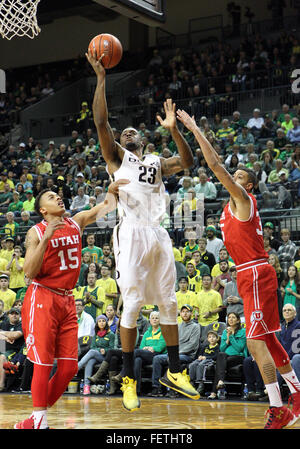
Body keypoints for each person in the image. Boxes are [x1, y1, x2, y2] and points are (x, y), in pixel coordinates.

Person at [86, 49, 199, 413]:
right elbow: (102, 124)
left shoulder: (154, 161)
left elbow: (187, 162)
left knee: (169, 302)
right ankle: (129, 379)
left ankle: (176, 370)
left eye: (136, 131)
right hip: (131, 232)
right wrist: (102, 79)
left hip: (158, 232)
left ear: (146, 141)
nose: (130, 131)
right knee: (132, 305)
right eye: (126, 131)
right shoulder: (118, 158)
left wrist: (174, 130)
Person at [176, 108, 300, 428]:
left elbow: (216, 165)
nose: (236, 177)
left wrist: (193, 127)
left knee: (255, 342)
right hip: (248, 273)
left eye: (242, 176)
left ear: (250, 186)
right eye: (237, 174)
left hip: (256, 272)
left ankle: (277, 407)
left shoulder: (244, 200)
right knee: (269, 340)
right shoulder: (230, 210)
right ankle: (297, 395)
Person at [14, 178, 128, 429]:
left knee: (67, 368)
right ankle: (40, 423)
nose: (58, 198)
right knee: (43, 362)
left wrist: (110, 191)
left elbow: (104, 207)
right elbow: (30, 272)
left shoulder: (76, 222)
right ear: (43, 209)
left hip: (67, 300)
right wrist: (46, 239)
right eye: (51, 197)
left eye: (58, 195)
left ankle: (33, 421)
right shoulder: (36, 232)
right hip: (42, 296)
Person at [150, 305, 200, 397]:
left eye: (187, 311)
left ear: (191, 314)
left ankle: (172, 389)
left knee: (173, 359)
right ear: (180, 313)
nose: (185, 313)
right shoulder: (178, 326)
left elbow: (192, 345)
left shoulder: (195, 327)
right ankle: (156, 388)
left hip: (187, 355)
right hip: (175, 354)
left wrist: (176, 353)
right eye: (183, 311)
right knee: (157, 358)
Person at [207, 312, 247, 400]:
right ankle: (220, 382)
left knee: (219, 364)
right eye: (229, 317)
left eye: (233, 317)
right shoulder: (225, 331)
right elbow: (222, 349)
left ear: (238, 320)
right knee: (221, 355)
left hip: (238, 356)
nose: (231, 319)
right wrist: (228, 338)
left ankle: (214, 392)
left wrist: (231, 336)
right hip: (225, 357)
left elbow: (239, 348)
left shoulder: (243, 331)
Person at [77, 314, 115, 395]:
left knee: (92, 352)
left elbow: (113, 348)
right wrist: (99, 350)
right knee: (90, 360)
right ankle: (86, 386)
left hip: (105, 358)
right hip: (96, 356)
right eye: (99, 321)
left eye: (103, 321)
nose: (101, 323)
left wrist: (105, 350)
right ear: (97, 323)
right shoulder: (96, 334)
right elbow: (92, 346)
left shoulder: (111, 334)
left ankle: (77, 367)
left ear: (106, 323)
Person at [133, 311, 167, 395]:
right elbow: (141, 347)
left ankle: (124, 373)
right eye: (153, 318)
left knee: (136, 352)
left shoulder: (163, 331)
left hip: (157, 354)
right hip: (147, 354)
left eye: (156, 318)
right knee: (137, 359)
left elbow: (160, 347)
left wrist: (151, 348)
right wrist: (148, 348)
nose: (154, 320)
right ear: (150, 320)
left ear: (160, 320)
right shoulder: (147, 333)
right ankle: (136, 389)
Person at [188, 329, 220, 395]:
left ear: (217, 338)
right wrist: (200, 356)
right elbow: (200, 353)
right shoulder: (205, 346)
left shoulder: (217, 347)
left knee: (201, 365)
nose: (212, 339)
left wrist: (206, 357)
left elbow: (216, 356)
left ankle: (201, 384)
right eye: (210, 337)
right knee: (192, 364)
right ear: (207, 339)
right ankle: (192, 382)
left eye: (214, 337)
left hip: (210, 360)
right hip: (202, 359)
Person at [0, 307, 24, 391]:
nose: (14, 315)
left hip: (15, 352)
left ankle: (1, 385)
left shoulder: (21, 325)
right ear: (8, 315)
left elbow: (15, 335)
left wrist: (2, 332)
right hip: (2, 348)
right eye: (12, 313)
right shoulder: (3, 323)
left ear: (20, 316)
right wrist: (6, 338)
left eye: (16, 314)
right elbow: (9, 336)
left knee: (2, 357)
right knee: (2, 354)